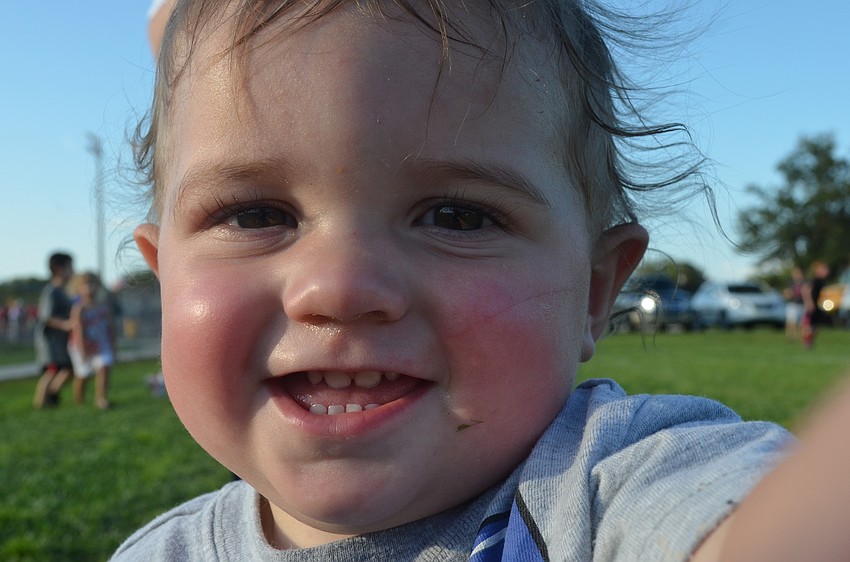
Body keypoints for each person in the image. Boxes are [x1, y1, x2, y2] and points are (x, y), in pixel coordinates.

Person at [113, 1, 850, 560]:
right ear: (164, 275)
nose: (337, 287)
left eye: (457, 217)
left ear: (594, 293)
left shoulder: (612, 489)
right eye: (254, 214)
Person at [32, 252, 75, 409]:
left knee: (69, 369)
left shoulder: (66, 291)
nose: (73, 270)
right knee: (52, 370)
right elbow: (46, 317)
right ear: (58, 269)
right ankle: (40, 404)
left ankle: (51, 396)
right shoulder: (51, 291)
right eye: (70, 267)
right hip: (50, 341)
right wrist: (66, 325)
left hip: (62, 341)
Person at [68, 272, 115, 409]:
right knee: (83, 374)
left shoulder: (103, 307)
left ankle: (101, 399)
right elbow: (78, 331)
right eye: (86, 284)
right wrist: (83, 350)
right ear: (79, 288)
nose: (90, 287)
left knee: (104, 367)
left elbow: (110, 327)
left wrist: (113, 344)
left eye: (92, 283)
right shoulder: (79, 308)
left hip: (101, 343)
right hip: (82, 345)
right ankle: (79, 400)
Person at [802, 261, 831, 349]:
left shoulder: (821, 281)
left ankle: (809, 341)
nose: (827, 271)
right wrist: (809, 303)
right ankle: (807, 342)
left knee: (817, 325)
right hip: (812, 306)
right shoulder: (815, 280)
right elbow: (805, 290)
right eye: (825, 269)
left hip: (817, 305)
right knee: (810, 325)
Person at [783, 266, 806, 342]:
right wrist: (789, 294)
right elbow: (786, 294)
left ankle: (801, 338)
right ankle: (790, 338)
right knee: (791, 323)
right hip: (792, 305)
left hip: (802, 304)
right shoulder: (790, 283)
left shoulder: (804, 283)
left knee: (802, 323)